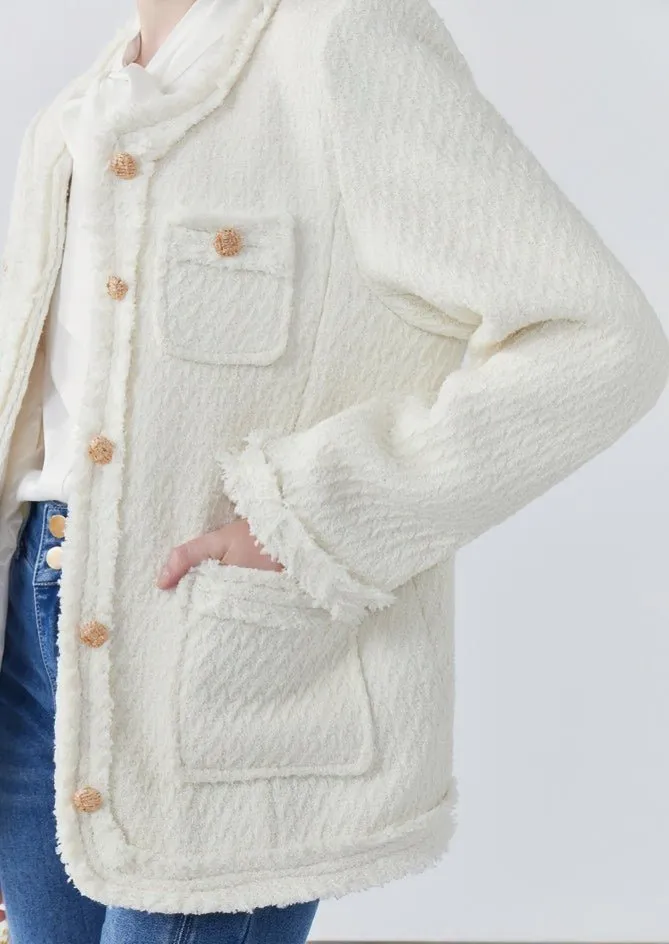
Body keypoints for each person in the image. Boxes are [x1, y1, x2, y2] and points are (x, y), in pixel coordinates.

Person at [0, 0, 667, 941]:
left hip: (215, 671)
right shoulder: (80, 106)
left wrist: (311, 519)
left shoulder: (343, 38)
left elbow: (598, 338)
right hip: (35, 646)